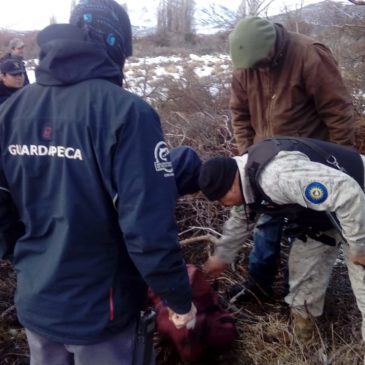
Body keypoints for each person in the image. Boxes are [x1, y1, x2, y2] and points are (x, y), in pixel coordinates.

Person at [0, 1, 196, 364]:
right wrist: (177, 297)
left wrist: (24, 258)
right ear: (117, 44)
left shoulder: (11, 110)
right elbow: (147, 227)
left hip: (36, 297)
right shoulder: (127, 113)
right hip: (101, 313)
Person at [227, 16, 355, 300]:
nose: (256, 70)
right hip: (264, 163)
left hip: (308, 162)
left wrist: (343, 163)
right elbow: (239, 114)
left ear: (273, 47)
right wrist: (248, 157)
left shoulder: (309, 55)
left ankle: (295, 294)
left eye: (262, 63)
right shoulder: (245, 65)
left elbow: (338, 112)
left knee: (307, 231)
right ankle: (259, 285)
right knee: (265, 225)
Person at [198, 136, 365, 343]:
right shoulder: (244, 179)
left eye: (221, 199)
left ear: (231, 185)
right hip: (324, 217)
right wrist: (221, 258)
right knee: (302, 275)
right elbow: (240, 218)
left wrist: (359, 247)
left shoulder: (275, 176)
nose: (223, 205)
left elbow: (348, 194)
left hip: (358, 201)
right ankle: (304, 337)